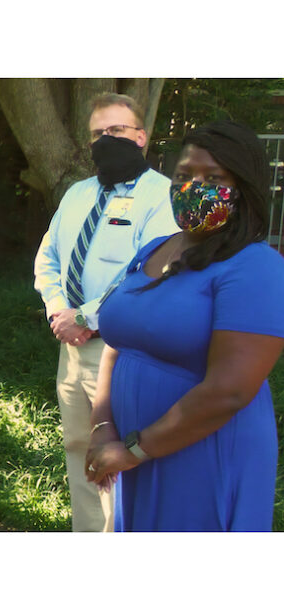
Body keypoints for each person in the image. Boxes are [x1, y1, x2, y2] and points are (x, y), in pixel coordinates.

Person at [85, 121, 284, 531]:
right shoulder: (153, 249)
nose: (194, 186)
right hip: (137, 452)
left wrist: (135, 450)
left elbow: (229, 390)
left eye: (213, 178)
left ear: (243, 188)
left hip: (204, 453)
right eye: (184, 174)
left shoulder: (256, 267)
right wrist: (103, 428)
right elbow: (118, 344)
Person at [33, 93, 179, 532]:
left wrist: (86, 317)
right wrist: (59, 311)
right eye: (98, 133)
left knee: (115, 455)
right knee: (78, 450)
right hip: (71, 349)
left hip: (121, 351)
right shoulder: (77, 194)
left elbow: (149, 271)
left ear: (141, 137)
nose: (106, 139)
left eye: (117, 130)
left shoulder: (163, 196)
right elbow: (48, 258)